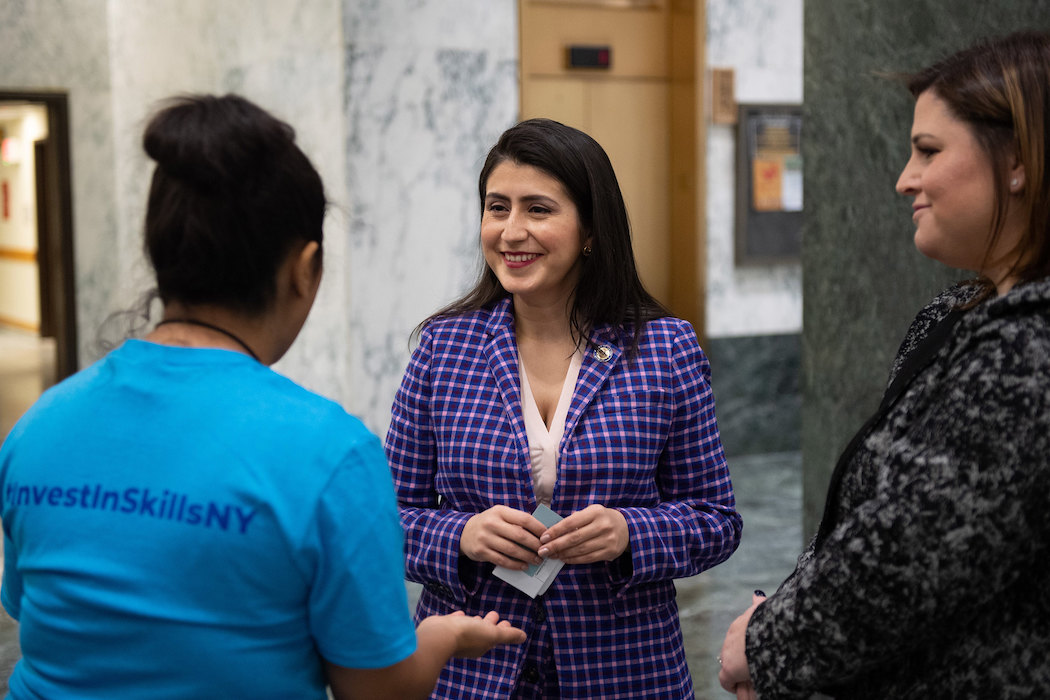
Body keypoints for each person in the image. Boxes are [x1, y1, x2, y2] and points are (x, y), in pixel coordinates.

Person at [0, 93, 525, 700]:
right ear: (304, 268)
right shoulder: (329, 452)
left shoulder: (38, 426)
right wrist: (443, 638)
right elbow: (376, 690)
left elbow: (31, 606)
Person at [718, 30, 1050, 700]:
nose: (905, 179)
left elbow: (904, 562)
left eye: (928, 150)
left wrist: (765, 643)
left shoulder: (1028, 353)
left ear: (1017, 161)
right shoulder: (960, 318)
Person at [385, 117, 742, 699]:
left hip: (625, 673)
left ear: (591, 231)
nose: (511, 230)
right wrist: (463, 535)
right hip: (469, 673)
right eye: (497, 207)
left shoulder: (663, 348)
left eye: (539, 209)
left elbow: (716, 520)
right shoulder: (443, 347)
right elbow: (384, 519)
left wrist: (631, 531)